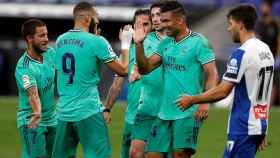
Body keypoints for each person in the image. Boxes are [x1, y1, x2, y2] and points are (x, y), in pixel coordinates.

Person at [175, 5, 274, 158]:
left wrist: (193, 99)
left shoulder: (241, 53)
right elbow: (264, 94)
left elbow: (223, 90)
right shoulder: (266, 50)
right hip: (256, 125)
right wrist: (261, 128)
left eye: (230, 24)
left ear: (240, 25)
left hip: (242, 126)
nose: (228, 29)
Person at [133, 1, 218, 158]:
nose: (163, 25)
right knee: (152, 155)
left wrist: (204, 103)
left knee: (180, 154)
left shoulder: (200, 43)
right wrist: (139, 44)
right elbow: (145, 68)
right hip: (163, 113)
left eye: (167, 21)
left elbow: (212, 74)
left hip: (188, 112)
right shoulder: (165, 44)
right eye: (161, 20)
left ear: (180, 20)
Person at [52, 2, 128, 158]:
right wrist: (126, 44)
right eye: (96, 19)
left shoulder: (60, 40)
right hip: (88, 111)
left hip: (63, 112)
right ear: (87, 19)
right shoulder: (97, 42)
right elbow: (123, 69)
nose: (97, 23)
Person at [104, 8, 152, 158]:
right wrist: (107, 109)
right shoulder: (128, 52)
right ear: (132, 28)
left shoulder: (160, 49)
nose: (142, 28)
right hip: (130, 118)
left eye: (146, 24)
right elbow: (117, 84)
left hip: (152, 117)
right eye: (138, 25)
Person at [15, 19, 57, 158]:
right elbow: (33, 94)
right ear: (29, 38)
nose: (46, 39)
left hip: (52, 118)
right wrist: (37, 111)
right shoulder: (24, 67)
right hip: (32, 120)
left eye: (46, 35)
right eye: (41, 36)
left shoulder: (50, 53)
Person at [129, 2, 167, 158]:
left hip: (168, 109)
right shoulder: (146, 39)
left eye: (159, 15)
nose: (156, 19)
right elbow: (139, 63)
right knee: (135, 153)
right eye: (153, 16)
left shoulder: (177, 41)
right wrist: (135, 70)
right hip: (147, 107)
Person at [255, 0, 280, 106]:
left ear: (269, 8)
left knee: (272, 82)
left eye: (265, 6)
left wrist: (278, 56)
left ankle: (270, 105)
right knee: (260, 81)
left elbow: (278, 40)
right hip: (260, 58)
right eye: (262, 6)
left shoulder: (275, 24)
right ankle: (260, 104)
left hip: (272, 58)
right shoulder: (258, 24)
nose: (263, 8)